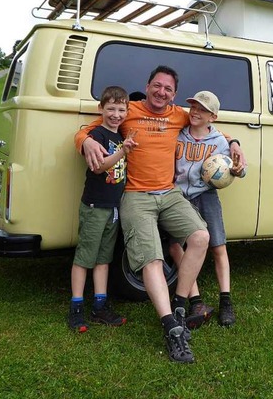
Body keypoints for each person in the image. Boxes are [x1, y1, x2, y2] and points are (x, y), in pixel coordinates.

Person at [74, 65, 245, 363]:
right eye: (157, 85)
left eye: (167, 89)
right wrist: (85, 141)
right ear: (148, 85)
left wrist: (233, 143)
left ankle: (179, 305)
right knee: (152, 258)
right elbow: (91, 129)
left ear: (174, 94)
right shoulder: (130, 111)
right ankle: (171, 327)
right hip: (136, 197)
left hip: (169, 193)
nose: (161, 92)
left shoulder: (179, 114)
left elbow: (210, 126)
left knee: (201, 236)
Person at [171, 91, 246, 327]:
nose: (195, 112)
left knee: (218, 247)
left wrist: (237, 169)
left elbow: (239, 168)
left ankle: (226, 302)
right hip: (180, 197)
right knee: (176, 245)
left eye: (202, 110)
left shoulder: (219, 142)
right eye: (193, 107)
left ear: (212, 116)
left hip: (207, 196)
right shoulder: (179, 135)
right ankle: (196, 299)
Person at [68, 86, 137, 333]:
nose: (116, 114)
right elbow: (98, 167)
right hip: (95, 206)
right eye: (111, 109)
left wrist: (123, 148)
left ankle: (100, 305)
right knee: (85, 257)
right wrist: (122, 152)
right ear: (101, 109)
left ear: (127, 111)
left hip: (113, 208)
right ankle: (76, 308)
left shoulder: (120, 137)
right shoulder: (96, 135)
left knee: (104, 259)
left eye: (121, 110)